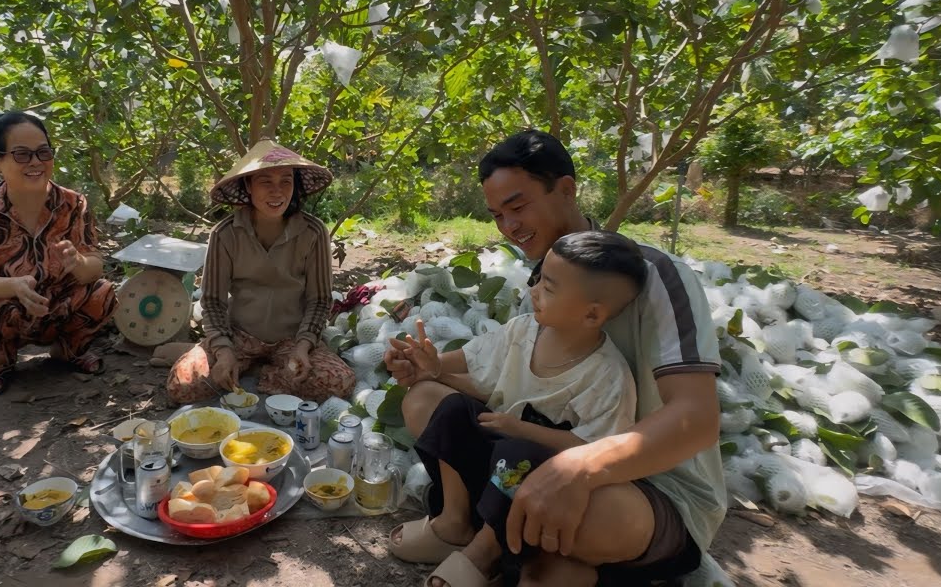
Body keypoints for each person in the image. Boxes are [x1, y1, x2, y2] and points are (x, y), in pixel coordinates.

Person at [384, 130, 725, 586]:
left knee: (559, 522)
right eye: (498, 215)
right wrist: (432, 365)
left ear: (566, 189)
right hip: (538, 450)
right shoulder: (545, 276)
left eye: (518, 206)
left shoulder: (655, 277)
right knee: (426, 398)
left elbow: (695, 419)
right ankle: (464, 527)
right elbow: (507, 356)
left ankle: (495, 551)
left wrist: (583, 466)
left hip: (645, 483)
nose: (509, 226)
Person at [390, 231, 646, 587]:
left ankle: (484, 552)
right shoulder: (523, 331)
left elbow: (598, 450)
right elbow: (478, 368)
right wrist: (432, 369)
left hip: (540, 486)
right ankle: (454, 520)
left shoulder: (607, 375)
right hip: (495, 455)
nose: (534, 291)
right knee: (448, 408)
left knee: (519, 453)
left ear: (592, 315)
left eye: (550, 288)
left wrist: (523, 430)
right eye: (539, 279)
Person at [166, 139, 356, 404]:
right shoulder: (225, 233)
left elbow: (320, 299)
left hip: (292, 338)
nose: (277, 192)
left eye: (286, 181)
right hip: (239, 336)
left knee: (339, 381)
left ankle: (263, 370)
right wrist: (223, 350)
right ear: (248, 186)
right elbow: (212, 300)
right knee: (181, 387)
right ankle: (241, 363)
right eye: (266, 182)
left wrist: (303, 346)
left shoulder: (313, 233)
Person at [0, 112, 117, 396]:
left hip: (61, 307)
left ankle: (69, 351)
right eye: (21, 154)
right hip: (10, 311)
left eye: (43, 152)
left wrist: (79, 263)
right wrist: (13, 287)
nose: (36, 162)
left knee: (104, 293)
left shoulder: (72, 203)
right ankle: (2, 361)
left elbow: (95, 266)